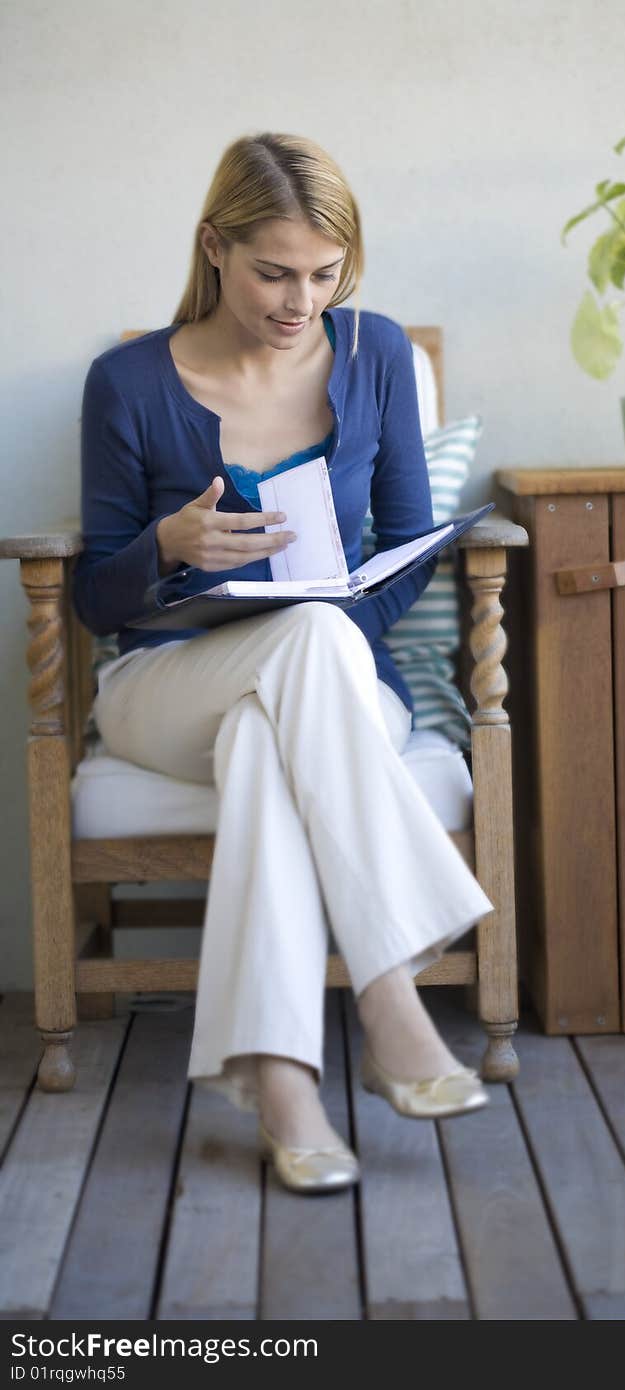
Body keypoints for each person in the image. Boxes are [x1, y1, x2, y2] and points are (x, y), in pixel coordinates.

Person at [73, 132, 494, 1195]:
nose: (300, 298)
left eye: (324, 272)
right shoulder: (125, 381)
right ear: (215, 248)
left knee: (284, 704)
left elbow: (406, 549)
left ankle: (281, 1081)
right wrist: (165, 548)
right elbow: (94, 604)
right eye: (273, 271)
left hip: (336, 683)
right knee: (295, 655)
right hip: (163, 686)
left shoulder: (378, 353)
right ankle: (391, 991)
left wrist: (328, 601)